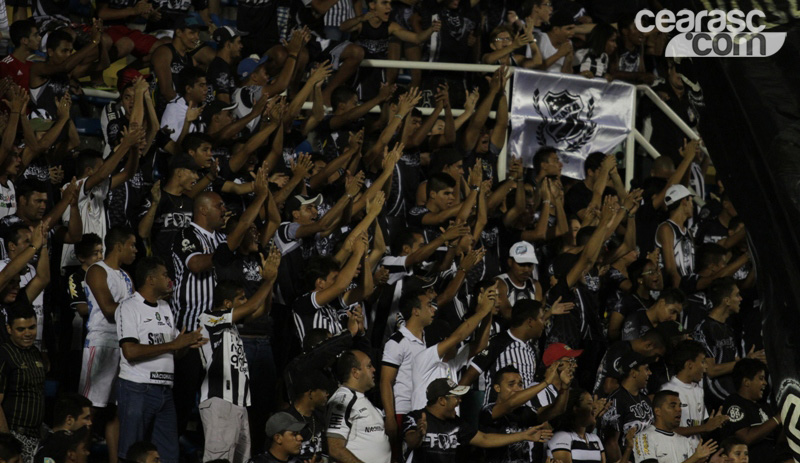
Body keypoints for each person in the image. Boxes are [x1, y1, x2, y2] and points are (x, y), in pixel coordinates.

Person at [116, 257, 207, 463]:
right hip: (137, 388)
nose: (169, 280)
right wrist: (173, 345)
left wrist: (184, 345)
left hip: (165, 390)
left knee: (168, 455)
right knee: (132, 453)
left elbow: (174, 351)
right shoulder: (128, 307)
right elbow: (129, 351)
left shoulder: (165, 307)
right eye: (165, 275)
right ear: (150, 279)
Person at [197, 249, 279, 463]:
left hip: (238, 401)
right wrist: (267, 281)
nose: (246, 301)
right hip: (219, 401)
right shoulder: (208, 319)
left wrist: (272, 281)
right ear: (227, 303)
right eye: (241, 298)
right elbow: (253, 306)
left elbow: (261, 310)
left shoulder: (231, 326)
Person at [79, 226, 137, 463]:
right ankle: (76, 455)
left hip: (122, 345)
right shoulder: (96, 270)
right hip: (100, 344)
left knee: (115, 410)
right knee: (88, 409)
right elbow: (109, 309)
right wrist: (137, 309)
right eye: (132, 245)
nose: (135, 250)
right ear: (119, 246)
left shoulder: (126, 275)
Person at [403, 378, 552, 462]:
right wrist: (419, 434)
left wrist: (524, 435)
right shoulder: (415, 417)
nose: (460, 401)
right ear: (442, 400)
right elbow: (410, 441)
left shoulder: (457, 423)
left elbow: (485, 438)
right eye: (456, 397)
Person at [326, 350, 391, 463]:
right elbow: (335, 449)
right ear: (355, 372)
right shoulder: (342, 400)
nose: (374, 370)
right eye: (369, 366)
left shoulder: (363, 401)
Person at [719, 359, 790, 463]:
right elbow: (744, 439)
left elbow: (778, 441)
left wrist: (788, 419)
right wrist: (777, 418)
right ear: (746, 382)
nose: (765, 383)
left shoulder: (765, 406)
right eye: (761, 378)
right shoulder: (734, 403)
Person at [0, 307, 46, 463]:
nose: (28, 333)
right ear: (9, 329)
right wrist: (8, 444)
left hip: (37, 435)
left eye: (32, 327)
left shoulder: (35, 352)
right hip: (15, 437)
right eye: (21, 329)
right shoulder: (3, 355)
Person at [661, 340, 728, 445]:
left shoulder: (699, 390)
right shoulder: (668, 391)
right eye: (702, 362)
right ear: (689, 365)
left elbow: (698, 431)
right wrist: (705, 427)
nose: (705, 367)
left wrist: (713, 425)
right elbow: (669, 430)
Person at [632, 390, 720, 463]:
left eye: (680, 406)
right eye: (672, 406)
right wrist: (694, 458)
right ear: (657, 411)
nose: (679, 409)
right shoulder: (644, 437)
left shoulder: (685, 441)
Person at [601, 352, 653, 462]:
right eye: (646, 369)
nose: (650, 373)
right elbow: (611, 442)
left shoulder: (644, 399)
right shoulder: (616, 400)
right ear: (634, 372)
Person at [548, 389, 606, 463]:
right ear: (576, 409)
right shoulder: (561, 437)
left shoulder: (595, 439)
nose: (595, 407)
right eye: (589, 403)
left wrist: (626, 451)